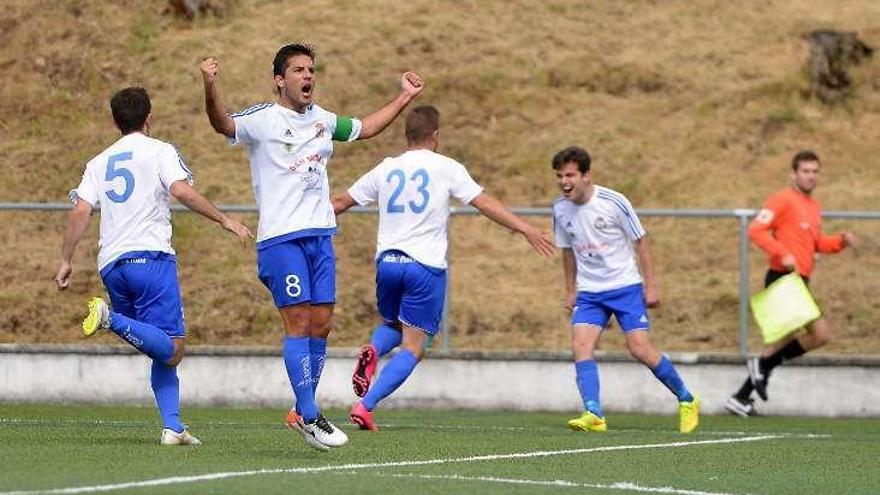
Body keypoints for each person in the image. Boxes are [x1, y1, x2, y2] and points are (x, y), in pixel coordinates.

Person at [199, 42, 424, 450]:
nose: (308, 76)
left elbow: (365, 127)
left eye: (311, 70)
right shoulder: (264, 119)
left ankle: (302, 410)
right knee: (298, 323)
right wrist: (210, 85)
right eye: (299, 70)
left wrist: (404, 97)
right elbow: (223, 125)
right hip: (282, 240)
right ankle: (309, 411)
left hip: (321, 236)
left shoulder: (322, 120)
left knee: (321, 324)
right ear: (279, 80)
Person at [332, 105, 555, 431]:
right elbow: (484, 203)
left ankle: (374, 348)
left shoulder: (387, 168)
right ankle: (366, 406)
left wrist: (300, 221)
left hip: (388, 263)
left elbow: (340, 202)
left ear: (406, 135)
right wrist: (525, 228)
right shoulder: (446, 167)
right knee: (414, 347)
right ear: (435, 135)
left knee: (393, 324)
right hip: (424, 267)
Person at [54, 87, 253, 446]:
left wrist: (66, 259)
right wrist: (225, 220)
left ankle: (172, 426)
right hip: (151, 258)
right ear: (149, 117)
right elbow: (181, 191)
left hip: (112, 265)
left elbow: (81, 210)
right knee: (173, 347)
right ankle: (108, 318)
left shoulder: (98, 162)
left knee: (160, 346)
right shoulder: (160, 150)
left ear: (115, 122)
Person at [550, 146, 699, 433]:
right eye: (559, 176)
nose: (564, 181)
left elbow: (641, 241)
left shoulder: (614, 201)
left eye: (570, 175)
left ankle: (687, 398)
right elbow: (567, 251)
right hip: (591, 292)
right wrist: (571, 290)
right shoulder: (559, 209)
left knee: (639, 349)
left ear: (586, 176)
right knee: (580, 345)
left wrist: (651, 285)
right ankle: (594, 413)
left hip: (625, 287)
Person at [725, 150, 856, 417]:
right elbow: (755, 230)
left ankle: (744, 392)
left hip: (800, 279)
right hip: (782, 277)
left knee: (808, 336)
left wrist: (840, 241)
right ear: (793, 173)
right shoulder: (781, 199)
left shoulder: (813, 206)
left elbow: (817, 244)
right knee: (812, 333)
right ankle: (760, 368)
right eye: (805, 171)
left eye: (815, 171)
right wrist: (781, 253)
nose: (811, 176)